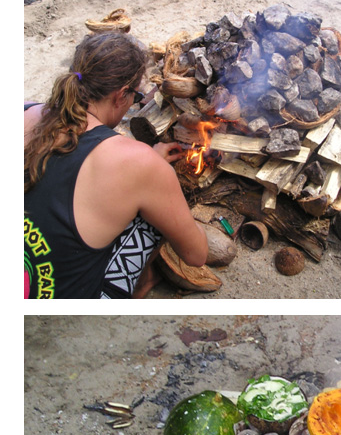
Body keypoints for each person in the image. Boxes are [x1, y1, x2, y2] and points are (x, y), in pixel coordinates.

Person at [24, 32, 209, 299]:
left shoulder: (25, 111)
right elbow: (196, 254)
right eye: (135, 98)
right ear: (121, 94)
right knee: (153, 210)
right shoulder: (139, 165)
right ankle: (139, 287)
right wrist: (156, 176)